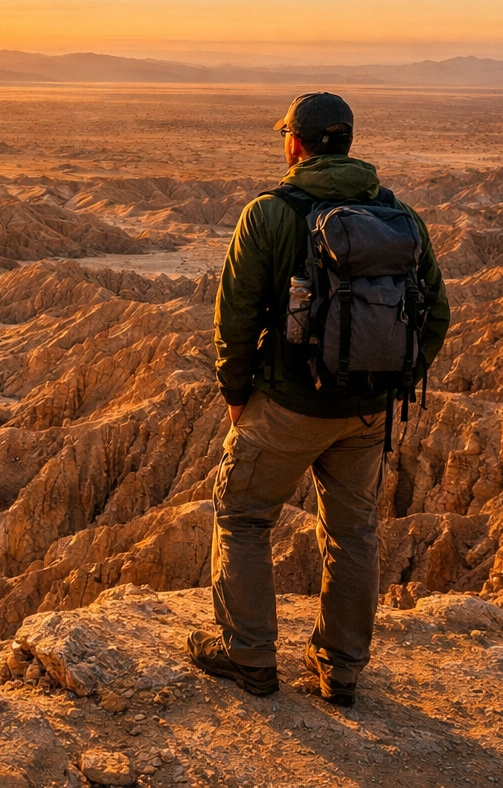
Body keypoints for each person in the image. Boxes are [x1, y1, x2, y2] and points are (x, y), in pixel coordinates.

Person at [188, 91, 450, 706]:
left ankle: (249, 658)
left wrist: (235, 393)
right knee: (353, 532)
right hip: (366, 411)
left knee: (244, 518)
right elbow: (435, 313)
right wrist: (392, 383)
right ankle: (342, 670)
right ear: (349, 143)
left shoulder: (270, 213)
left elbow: (235, 317)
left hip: (285, 406)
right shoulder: (400, 217)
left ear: (296, 143)